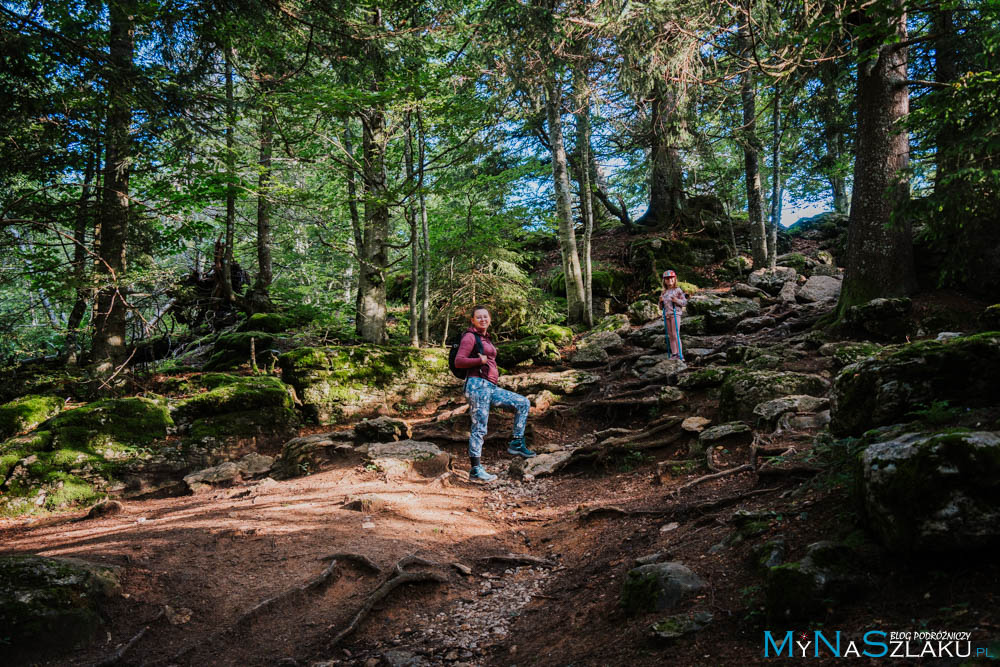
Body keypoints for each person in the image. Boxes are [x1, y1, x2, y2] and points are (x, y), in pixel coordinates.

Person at [453, 305, 535, 482]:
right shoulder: (469, 336)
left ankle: (516, 442)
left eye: (485, 317)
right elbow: (459, 361)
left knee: (522, 402)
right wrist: (478, 360)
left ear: (489, 319)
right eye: (479, 317)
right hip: (477, 386)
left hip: (490, 387)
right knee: (480, 427)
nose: (483, 319)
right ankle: (475, 469)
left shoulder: (486, 338)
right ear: (472, 320)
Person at [658, 269, 687, 361]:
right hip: (667, 315)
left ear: (675, 279)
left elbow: (684, 302)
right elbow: (660, 307)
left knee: (675, 334)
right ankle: (674, 353)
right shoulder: (664, 292)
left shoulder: (678, 290)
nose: (669, 281)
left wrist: (676, 300)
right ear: (664, 281)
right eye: (667, 279)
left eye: (671, 279)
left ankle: (680, 354)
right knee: (670, 334)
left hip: (675, 314)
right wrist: (660, 302)